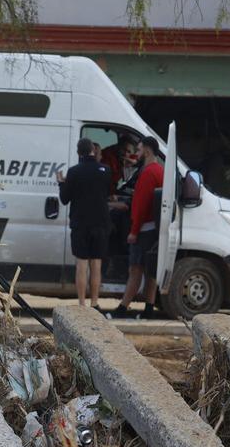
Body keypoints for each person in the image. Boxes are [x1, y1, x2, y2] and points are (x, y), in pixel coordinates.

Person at [58, 138, 112, 311]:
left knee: (81, 264)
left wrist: (61, 183)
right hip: (100, 223)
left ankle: (82, 303)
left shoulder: (73, 172)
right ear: (92, 151)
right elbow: (108, 193)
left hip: (80, 223)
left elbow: (65, 199)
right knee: (96, 264)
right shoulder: (106, 170)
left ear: (78, 152)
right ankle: (94, 303)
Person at [114, 136, 163, 319]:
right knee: (150, 272)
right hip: (154, 229)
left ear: (148, 151)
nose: (138, 153)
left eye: (140, 149)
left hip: (142, 230)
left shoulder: (148, 173)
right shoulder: (160, 171)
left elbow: (141, 205)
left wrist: (134, 231)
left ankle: (122, 308)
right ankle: (149, 308)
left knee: (135, 270)